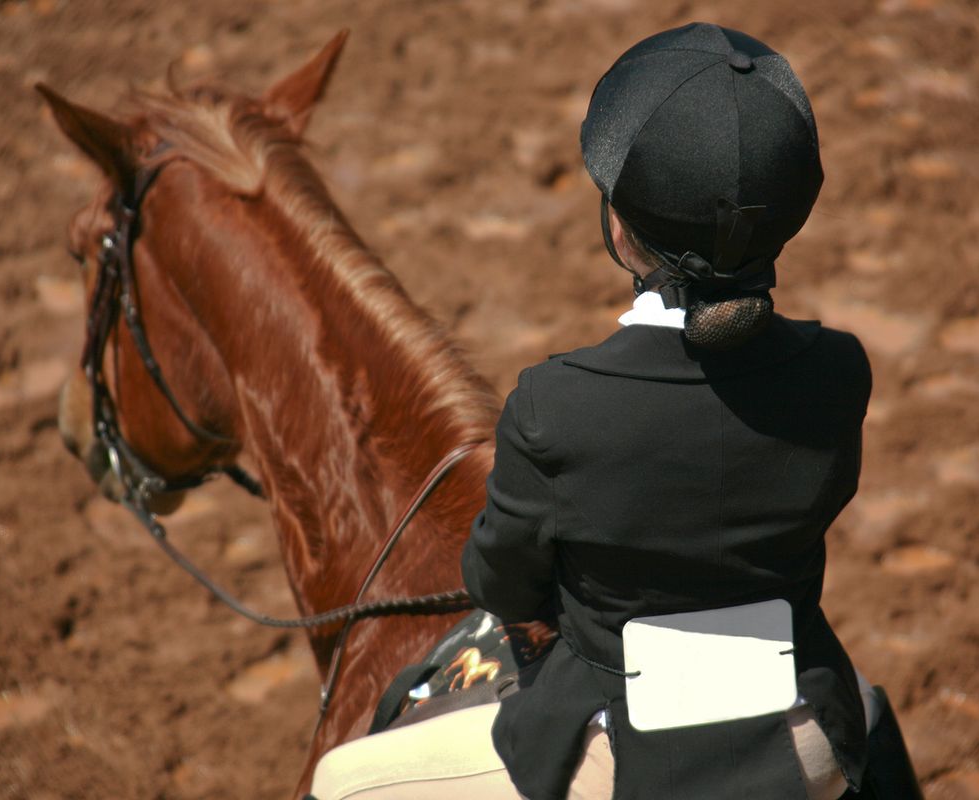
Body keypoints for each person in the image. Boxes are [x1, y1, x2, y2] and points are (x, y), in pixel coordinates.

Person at [312, 22, 879, 800]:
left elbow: (501, 583)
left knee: (340, 780)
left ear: (618, 225)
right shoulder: (840, 371)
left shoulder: (558, 405)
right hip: (807, 730)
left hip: (632, 749)